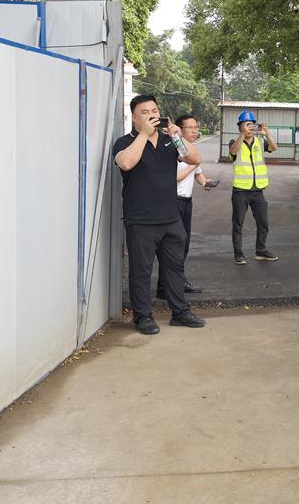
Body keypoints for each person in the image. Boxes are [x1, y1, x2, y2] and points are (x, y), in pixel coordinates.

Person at [112, 95, 206, 335]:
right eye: (145, 112)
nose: (152, 115)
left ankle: (180, 312)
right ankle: (143, 316)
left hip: (171, 218)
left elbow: (195, 159)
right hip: (141, 220)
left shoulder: (169, 141)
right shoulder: (125, 142)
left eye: (154, 111)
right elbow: (126, 163)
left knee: (174, 268)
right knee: (141, 271)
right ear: (134, 117)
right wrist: (143, 135)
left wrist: (177, 136)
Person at [155, 114, 213, 299]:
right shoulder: (173, 148)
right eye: (191, 128)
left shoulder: (190, 150)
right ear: (179, 129)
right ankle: (170, 285)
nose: (195, 131)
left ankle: (172, 284)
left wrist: (205, 182)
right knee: (174, 246)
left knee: (183, 245)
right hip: (174, 202)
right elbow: (174, 177)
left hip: (186, 202)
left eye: (196, 127)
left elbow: (198, 173)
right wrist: (193, 165)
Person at [229, 110, 278, 265]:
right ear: (240, 127)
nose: (249, 127)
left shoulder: (259, 141)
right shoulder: (234, 141)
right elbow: (233, 152)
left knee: (263, 223)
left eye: (251, 124)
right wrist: (242, 135)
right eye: (246, 124)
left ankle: (261, 251)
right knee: (238, 224)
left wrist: (267, 134)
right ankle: (239, 254)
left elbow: (274, 148)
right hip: (240, 191)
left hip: (258, 190)